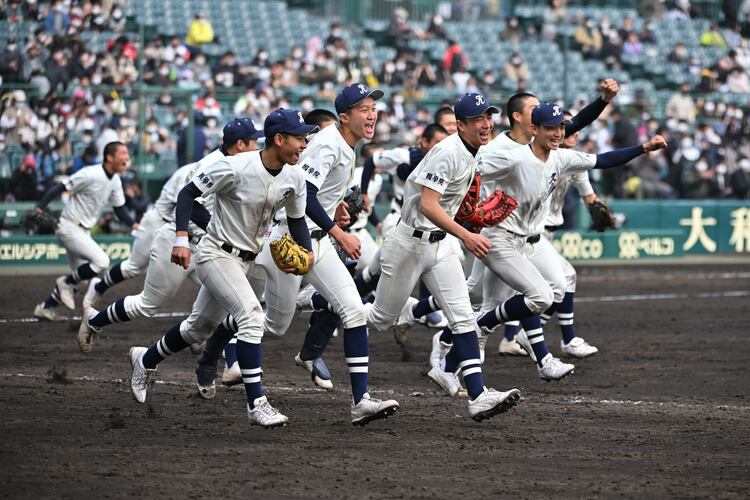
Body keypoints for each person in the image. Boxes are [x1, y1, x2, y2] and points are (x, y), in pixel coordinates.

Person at [127, 108, 316, 428]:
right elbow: (187, 195)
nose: (304, 144)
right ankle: (257, 404)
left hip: (248, 260)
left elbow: (297, 221)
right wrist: (182, 239)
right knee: (252, 316)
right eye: (299, 137)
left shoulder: (295, 176)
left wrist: (308, 254)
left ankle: (145, 359)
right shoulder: (235, 166)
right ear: (279, 139)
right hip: (215, 254)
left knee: (196, 329)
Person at [472, 103, 667, 378]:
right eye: (551, 127)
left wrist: (643, 148)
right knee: (485, 296)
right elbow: (471, 174)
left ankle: (524, 350)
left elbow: (605, 159)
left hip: (531, 240)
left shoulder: (562, 159)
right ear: (533, 128)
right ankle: (463, 340)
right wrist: (465, 209)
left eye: (561, 127)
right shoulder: (512, 157)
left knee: (550, 289)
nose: (558, 132)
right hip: (498, 237)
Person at [366, 93, 522, 422]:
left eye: (488, 116)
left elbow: (449, 207)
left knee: (463, 317)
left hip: (440, 246)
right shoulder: (448, 151)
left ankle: (478, 395)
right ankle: (327, 303)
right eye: (477, 119)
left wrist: (470, 219)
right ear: (461, 125)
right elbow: (427, 204)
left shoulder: (473, 150)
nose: (486, 123)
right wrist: (466, 233)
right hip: (409, 242)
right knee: (379, 319)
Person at [78, 119, 263, 326]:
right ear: (240, 144)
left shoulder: (235, 165)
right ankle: (95, 318)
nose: (257, 146)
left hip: (205, 245)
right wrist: (216, 232)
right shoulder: (211, 165)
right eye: (254, 141)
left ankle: (207, 347)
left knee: (226, 299)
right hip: (175, 234)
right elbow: (188, 203)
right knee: (148, 302)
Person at [33, 142, 137, 321]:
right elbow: (61, 187)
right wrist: (41, 206)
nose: (127, 158)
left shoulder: (115, 180)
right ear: (110, 157)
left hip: (83, 231)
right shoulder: (90, 173)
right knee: (102, 262)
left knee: (81, 278)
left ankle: (45, 307)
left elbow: (119, 209)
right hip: (68, 226)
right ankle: (65, 283)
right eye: (123, 153)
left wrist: (135, 224)